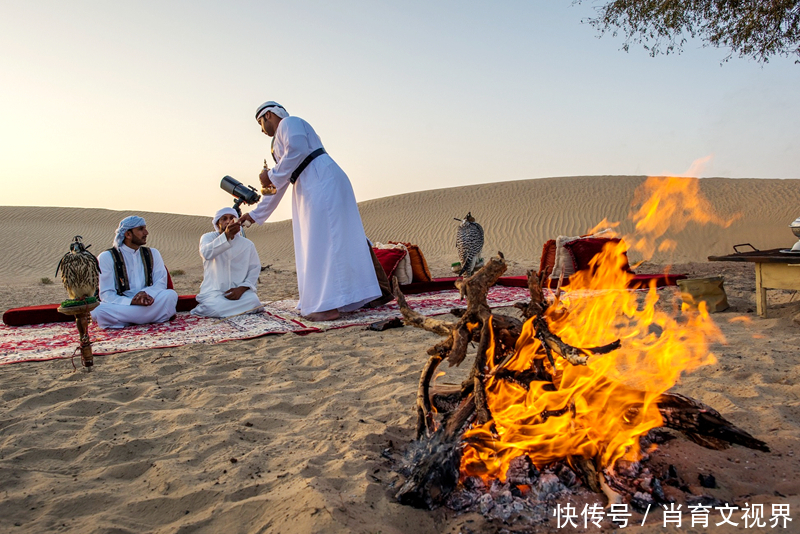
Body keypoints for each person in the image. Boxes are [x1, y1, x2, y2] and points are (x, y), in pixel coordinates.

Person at [239, 101, 391, 321]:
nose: (261, 130)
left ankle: (327, 306)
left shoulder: (290, 123)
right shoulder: (279, 142)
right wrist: (254, 215)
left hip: (322, 180)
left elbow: (297, 150)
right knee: (319, 243)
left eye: (260, 123)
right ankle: (337, 300)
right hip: (308, 185)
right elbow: (278, 187)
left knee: (326, 241)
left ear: (269, 115)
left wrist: (270, 175)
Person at [91, 216, 178, 329]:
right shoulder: (107, 257)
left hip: (149, 301)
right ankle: (151, 318)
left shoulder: (153, 253)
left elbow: (161, 282)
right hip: (123, 304)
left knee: (170, 295)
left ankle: (126, 321)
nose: (146, 232)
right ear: (128, 234)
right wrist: (132, 301)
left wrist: (145, 295)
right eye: (141, 229)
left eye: (145, 228)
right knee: (99, 310)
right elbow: (106, 294)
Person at [191, 207, 263, 318]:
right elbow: (206, 253)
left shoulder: (247, 244)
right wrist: (226, 236)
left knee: (254, 302)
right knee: (217, 308)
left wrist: (242, 289)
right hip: (214, 292)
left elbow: (254, 269)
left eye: (231, 218)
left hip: (239, 292)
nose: (228, 221)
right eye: (224, 219)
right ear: (217, 223)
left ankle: (231, 308)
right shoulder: (208, 238)